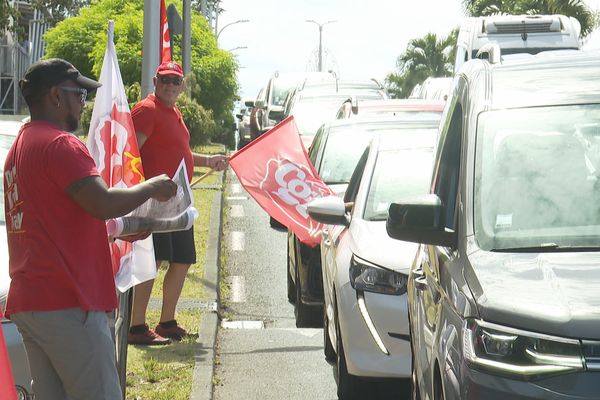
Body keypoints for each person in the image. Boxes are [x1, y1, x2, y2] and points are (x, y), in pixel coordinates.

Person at [4, 58, 178, 400]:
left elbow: (59, 218)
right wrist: (151, 186)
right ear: (55, 95)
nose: (84, 102)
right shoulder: (60, 144)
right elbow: (102, 202)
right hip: (68, 302)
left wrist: (118, 226)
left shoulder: (21, 145)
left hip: (33, 302)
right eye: (78, 94)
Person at [128, 61, 228, 345]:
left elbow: (180, 151)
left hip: (179, 202)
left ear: (182, 85)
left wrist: (208, 161)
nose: (171, 85)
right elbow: (131, 152)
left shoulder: (174, 112)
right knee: (154, 260)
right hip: (155, 202)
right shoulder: (146, 110)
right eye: (165, 80)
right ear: (155, 80)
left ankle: (167, 321)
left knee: (183, 259)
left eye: (176, 81)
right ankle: (136, 326)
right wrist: (143, 190)